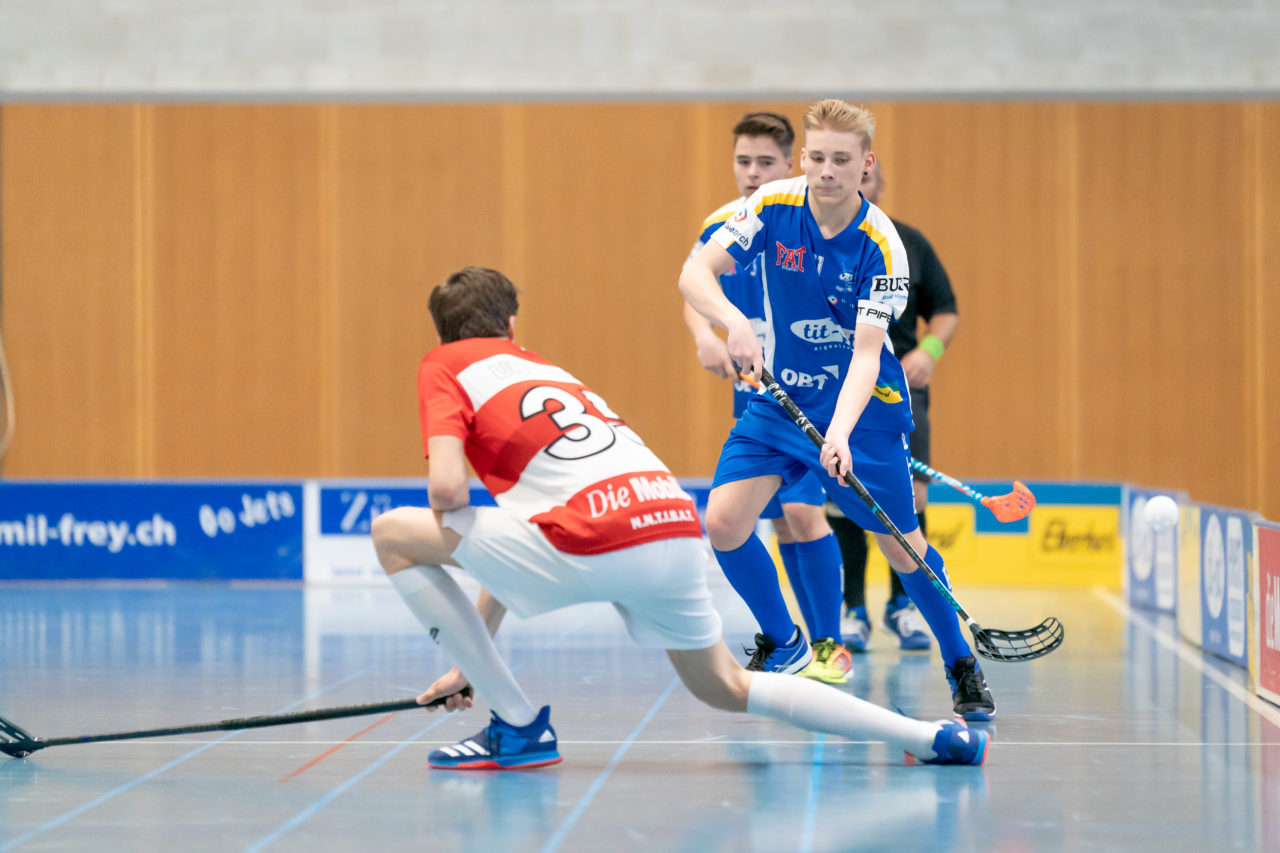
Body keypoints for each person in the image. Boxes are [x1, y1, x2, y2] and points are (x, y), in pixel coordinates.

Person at [370, 265, 988, 770]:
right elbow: (509, 541)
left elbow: (448, 490)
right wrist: (468, 660)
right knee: (723, 685)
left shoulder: (444, 365)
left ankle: (517, 724)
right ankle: (928, 736)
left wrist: (474, 660)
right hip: (668, 522)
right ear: (511, 324)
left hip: (592, 533)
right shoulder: (546, 370)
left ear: (445, 331)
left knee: (393, 534)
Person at [678, 98, 996, 721]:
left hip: (864, 410)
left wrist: (841, 433)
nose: (827, 170)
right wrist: (732, 323)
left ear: (865, 164)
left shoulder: (885, 247)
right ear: (804, 158)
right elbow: (696, 272)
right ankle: (787, 642)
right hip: (779, 400)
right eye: (817, 157)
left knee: (903, 548)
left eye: (842, 160)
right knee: (723, 522)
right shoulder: (771, 207)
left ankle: (960, 659)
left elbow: (867, 355)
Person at [682, 111, 850, 684]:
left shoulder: (807, 222)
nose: (751, 174)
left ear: (790, 163)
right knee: (771, 522)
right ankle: (794, 643)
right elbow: (695, 283)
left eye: (764, 163)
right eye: (742, 162)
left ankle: (827, 644)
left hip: (805, 392)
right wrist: (707, 334)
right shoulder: (724, 223)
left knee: (804, 515)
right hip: (755, 396)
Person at [830, 160, 959, 654]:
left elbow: (945, 312)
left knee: (912, 497)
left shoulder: (908, 242)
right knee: (840, 496)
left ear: (878, 184)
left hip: (898, 389)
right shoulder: (817, 245)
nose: (855, 185)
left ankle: (904, 606)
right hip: (835, 389)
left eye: (866, 178)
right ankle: (854, 608)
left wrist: (929, 351)